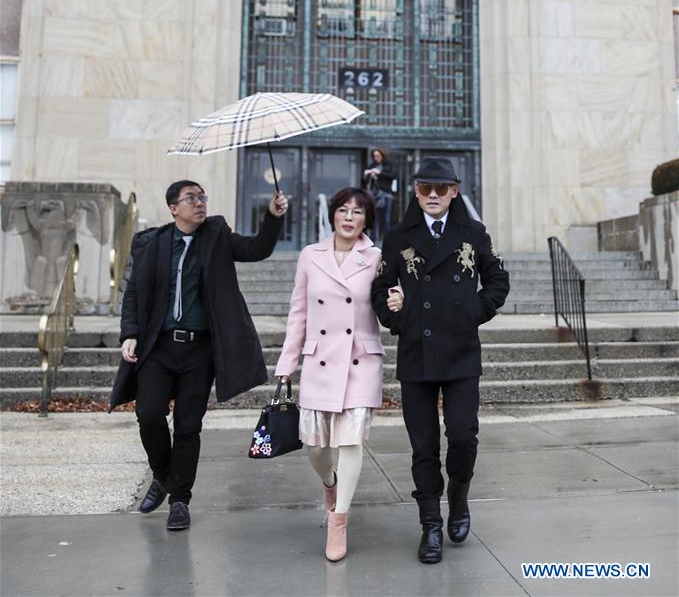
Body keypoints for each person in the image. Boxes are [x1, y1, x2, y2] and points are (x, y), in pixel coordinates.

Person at [109, 179, 288, 531]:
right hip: (158, 347)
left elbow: (257, 249)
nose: (200, 202)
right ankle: (163, 476)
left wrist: (272, 217)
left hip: (198, 350)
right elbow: (132, 294)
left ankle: (179, 501)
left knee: (189, 426)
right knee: (148, 415)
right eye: (191, 198)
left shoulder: (217, 235)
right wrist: (129, 334)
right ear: (173, 208)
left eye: (203, 196)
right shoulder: (151, 244)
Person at [371, 157, 509, 564]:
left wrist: (474, 312)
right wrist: (397, 317)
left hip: (461, 350)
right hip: (417, 351)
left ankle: (459, 497)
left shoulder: (474, 233)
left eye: (441, 188)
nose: (433, 195)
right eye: (425, 188)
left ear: (454, 191)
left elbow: (498, 280)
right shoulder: (398, 236)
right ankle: (430, 525)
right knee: (423, 445)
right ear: (415, 192)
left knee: (463, 435)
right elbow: (380, 288)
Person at [275, 187, 382, 562]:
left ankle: (339, 521)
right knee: (317, 448)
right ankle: (330, 483)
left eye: (358, 211)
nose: (349, 217)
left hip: (360, 361)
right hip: (319, 360)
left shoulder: (376, 258)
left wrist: (399, 297)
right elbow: (299, 313)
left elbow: (388, 298)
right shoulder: (310, 255)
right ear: (333, 215)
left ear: (367, 220)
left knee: (351, 442)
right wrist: (287, 364)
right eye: (343, 210)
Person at [363, 147, 395, 246]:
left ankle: (387, 241)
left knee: (386, 219)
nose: (376, 158)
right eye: (374, 156)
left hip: (386, 195)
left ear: (382, 155)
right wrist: (368, 173)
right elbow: (365, 181)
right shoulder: (372, 165)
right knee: (374, 219)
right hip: (375, 195)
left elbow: (393, 175)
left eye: (378, 156)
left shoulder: (388, 165)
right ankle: (373, 242)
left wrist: (379, 173)